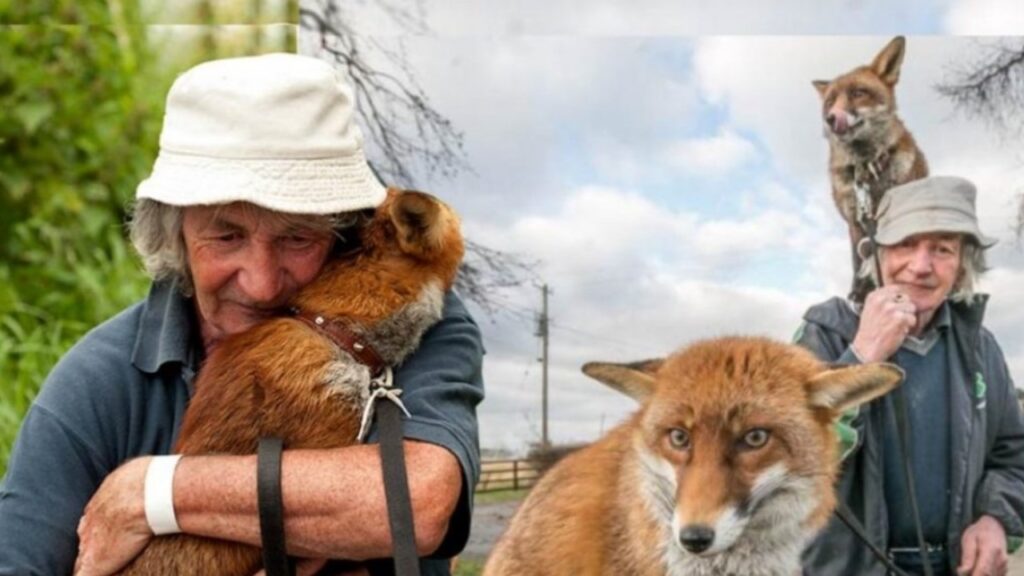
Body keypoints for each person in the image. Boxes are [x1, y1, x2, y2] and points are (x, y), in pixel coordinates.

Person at [0, 53, 484, 576]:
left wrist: (150, 492)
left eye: (297, 237)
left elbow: (417, 503)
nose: (261, 282)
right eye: (226, 235)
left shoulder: (418, 327)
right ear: (176, 234)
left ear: (345, 234)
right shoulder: (99, 378)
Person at [796, 176, 1024, 576]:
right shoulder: (824, 333)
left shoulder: (980, 347)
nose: (920, 267)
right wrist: (862, 355)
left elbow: (1013, 455)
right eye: (905, 244)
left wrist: (997, 519)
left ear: (962, 265)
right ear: (875, 254)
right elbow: (791, 454)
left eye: (942, 249)